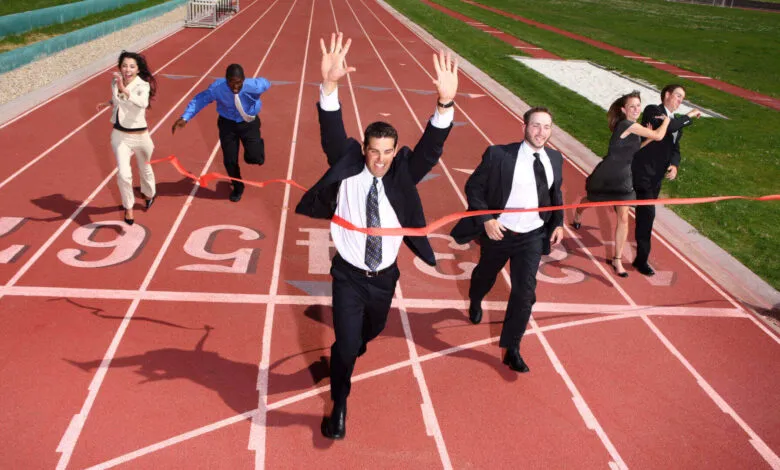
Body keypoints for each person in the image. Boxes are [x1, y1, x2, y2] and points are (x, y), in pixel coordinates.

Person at [295, 33, 457, 440]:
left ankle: (348, 350)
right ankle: (339, 405)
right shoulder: (347, 166)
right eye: (374, 150)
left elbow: (431, 147)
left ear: (395, 150)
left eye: (388, 151)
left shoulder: (404, 172)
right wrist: (329, 86)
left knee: (370, 333)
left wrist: (444, 104)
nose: (380, 159)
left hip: (384, 279)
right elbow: (331, 127)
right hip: (348, 276)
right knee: (347, 347)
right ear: (363, 149)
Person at [450, 107, 564, 374]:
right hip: (499, 233)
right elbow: (474, 187)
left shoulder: (555, 159)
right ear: (523, 127)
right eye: (535, 126)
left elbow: (554, 194)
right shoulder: (499, 155)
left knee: (525, 293)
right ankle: (475, 298)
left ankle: (512, 348)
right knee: (484, 277)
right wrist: (488, 219)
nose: (541, 132)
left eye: (546, 127)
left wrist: (558, 222)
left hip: (533, 236)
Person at [571, 91, 670, 277]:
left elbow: (634, 150)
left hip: (624, 177)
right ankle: (578, 211)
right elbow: (659, 135)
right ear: (624, 110)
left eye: (638, 106)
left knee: (623, 216)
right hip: (608, 174)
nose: (636, 109)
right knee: (592, 200)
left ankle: (616, 260)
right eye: (632, 106)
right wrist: (667, 121)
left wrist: (647, 137)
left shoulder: (634, 127)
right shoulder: (627, 124)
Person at [171, 64, 270, 202]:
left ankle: (257, 148)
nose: (234, 87)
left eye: (238, 83)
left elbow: (266, 83)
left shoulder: (255, 86)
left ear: (243, 79)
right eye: (231, 82)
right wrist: (185, 117)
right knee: (229, 160)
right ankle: (238, 187)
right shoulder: (217, 88)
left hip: (249, 123)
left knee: (254, 158)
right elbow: (200, 100)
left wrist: (258, 92)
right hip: (227, 124)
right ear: (226, 79)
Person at [631, 85, 701, 276]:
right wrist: (690, 116)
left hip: (656, 177)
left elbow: (675, 147)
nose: (680, 100)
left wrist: (675, 164)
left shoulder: (676, 121)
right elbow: (668, 127)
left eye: (682, 98)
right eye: (678, 96)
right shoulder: (652, 111)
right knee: (644, 214)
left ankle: (640, 259)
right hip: (641, 173)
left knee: (645, 215)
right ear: (667, 95)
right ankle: (641, 260)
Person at [96, 51, 158, 225]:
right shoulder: (115, 82)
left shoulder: (143, 85)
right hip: (120, 135)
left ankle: (149, 193)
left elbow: (143, 103)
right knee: (124, 175)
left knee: (145, 169)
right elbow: (118, 100)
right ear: (120, 67)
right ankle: (128, 208)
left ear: (138, 69)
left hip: (141, 136)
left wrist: (124, 90)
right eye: (124, 66)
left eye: (132, 66)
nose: (127, 69)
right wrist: (108, 102)